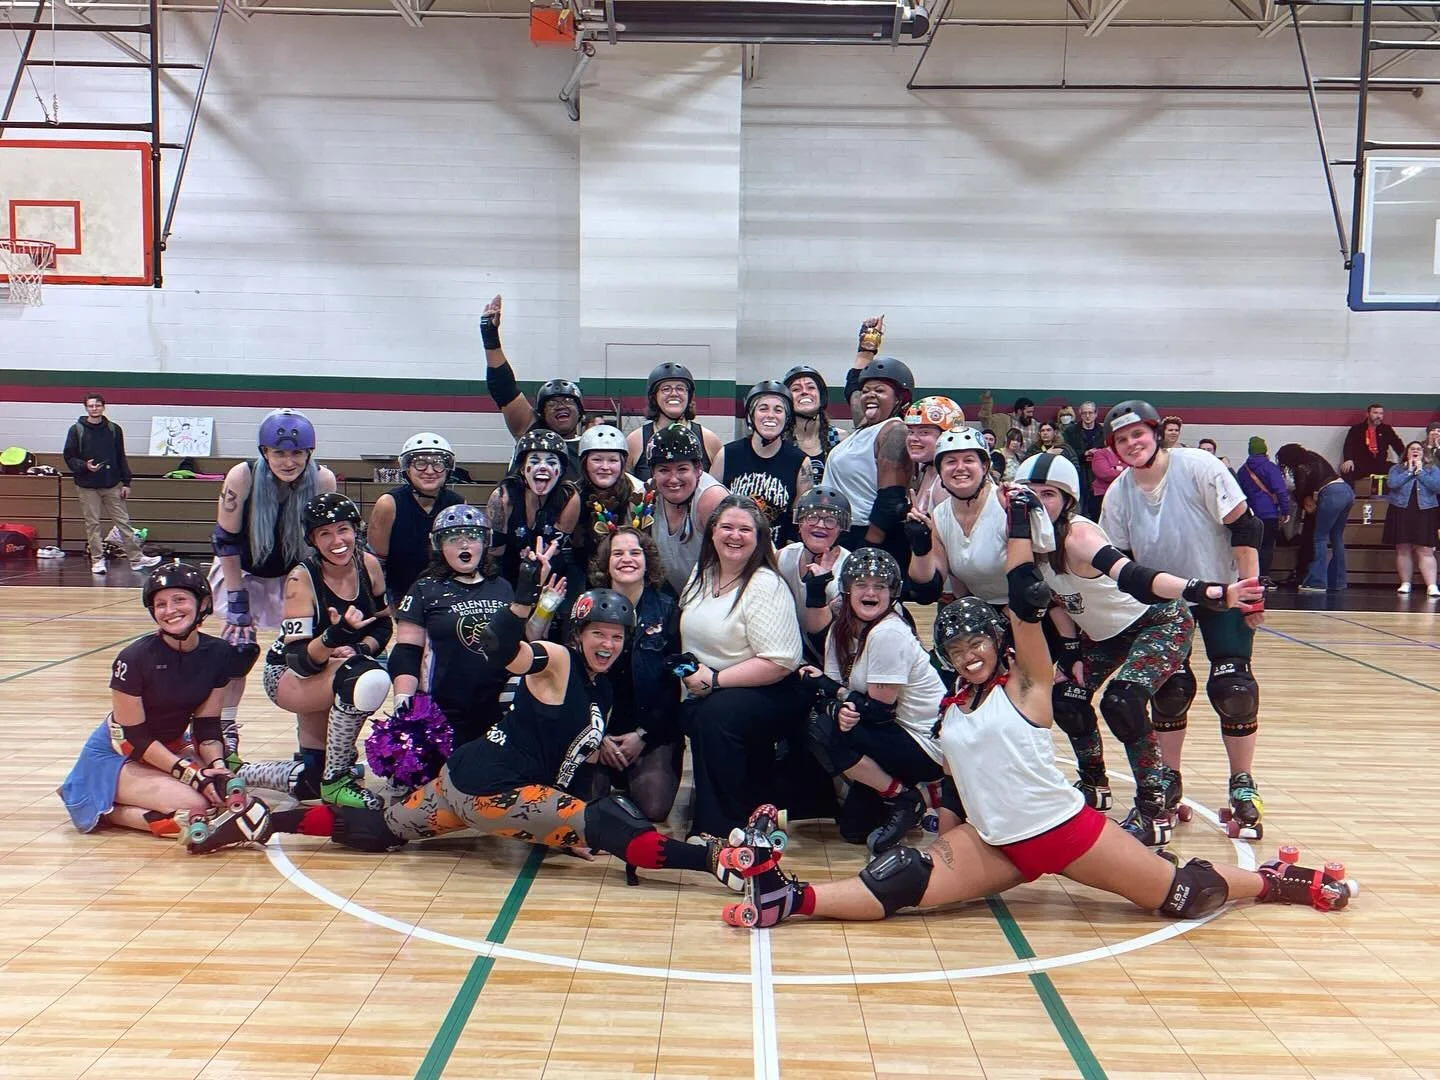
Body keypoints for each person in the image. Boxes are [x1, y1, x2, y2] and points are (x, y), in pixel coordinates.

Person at [719, 542, 1357, 929]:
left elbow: (1027, 617)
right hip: (994, 842)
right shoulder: (951, 707)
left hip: (1062, 833)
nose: (968, 656)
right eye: (956, 648)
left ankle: (1275, 882)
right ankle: (788, 899)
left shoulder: (1026, 688)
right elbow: (955, 778)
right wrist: (946, 822)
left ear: (996, 648)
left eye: (977, 645)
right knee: (900, 882)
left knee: (1181, 894)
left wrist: (1023, 559)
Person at [189, 587, 777, 897]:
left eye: (616, 635)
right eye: (599, 632)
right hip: (494, 791)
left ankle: (267, 822)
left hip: (462, 782)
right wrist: (502, 635)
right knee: (613, 824)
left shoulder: (595, 689)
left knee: (383, 828)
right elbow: (522, 654)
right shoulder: (563, 661)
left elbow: (567, 755)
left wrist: (558, 826)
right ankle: (721, 862)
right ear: (581, 634)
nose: (608, 643)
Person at [1015, 454, 1262, 846]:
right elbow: (1059, 601)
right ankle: (1094, 783)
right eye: (1030, 493)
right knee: (1067, 696)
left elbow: (1135, 577)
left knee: (1122, 701)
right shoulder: (1024, 541)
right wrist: (1070, 653)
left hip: (1158, 620)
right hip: (1105, 634)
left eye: (1049, 494)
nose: (1038, 502)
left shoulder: (1078, 536)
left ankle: (1151, 808)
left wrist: (1209, 591)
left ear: (1068, 501)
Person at [1100, 400, 1267, 839]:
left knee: (1234, 688)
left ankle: (1242, 784)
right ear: (1113, 448)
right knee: (1171, 689)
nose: (1132, 444)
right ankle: (1169, 780)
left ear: (1156, 433)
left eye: (1138, 434)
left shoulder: (1198, 466)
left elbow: (1246, 527)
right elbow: (1120, 563)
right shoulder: (1118, 493)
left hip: (1223, 591)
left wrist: (1249, 591)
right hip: (1167, 603)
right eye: (1121, 439)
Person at [60, 562, 239, 838]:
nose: (170, 611)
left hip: (172, 747)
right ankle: (102, 806)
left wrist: (217, 766)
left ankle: (129, 799)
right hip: (121, 754)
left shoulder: (218, 652)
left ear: (203, 603)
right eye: (161, 604)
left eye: (179, 600)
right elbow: (136, 738)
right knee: (195, 807)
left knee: (226, 796)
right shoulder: (134, 658)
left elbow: (207, 727)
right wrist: (191, 774)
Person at [238, 493, 392, 809]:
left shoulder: (369, 565)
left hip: (332, 669)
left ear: (356, 530)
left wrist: (359, 646)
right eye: (325, 533)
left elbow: (383, 626)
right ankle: (337, 779)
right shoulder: (300, 578)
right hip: (288, 674)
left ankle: (239, 775)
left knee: (309, 781)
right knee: (368, 678)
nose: (337, 540)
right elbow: (300, 660)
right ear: (313, 539)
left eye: (343, 529)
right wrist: (334, 637)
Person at [211, 409, 338, 766]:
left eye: (296, 453)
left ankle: (312, 746)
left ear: (309, 453)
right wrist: (237, 600)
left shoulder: (323, 480)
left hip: (294, 576)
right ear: (265, 452)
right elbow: (226, 540)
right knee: (237, 653)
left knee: (305, 656)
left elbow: (324, 543)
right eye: (279, 453)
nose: (288, 461)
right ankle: (223, 733)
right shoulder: (243, 475)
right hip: (244, 572)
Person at [803, 548, 949, 855]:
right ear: (847, 589)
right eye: (861, 585)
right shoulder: (840, 630)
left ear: (892, 593)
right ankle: (911, 796)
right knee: (854, 830)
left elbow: (878, 711)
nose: (870, 592)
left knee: (826, 727)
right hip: (894, 736)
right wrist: (838, 702)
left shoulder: (889, 633)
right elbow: (835, 691)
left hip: (926, 744)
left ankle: (905, 796)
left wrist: (838, 703)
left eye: (880, 586)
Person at [677, 495, 804, 837]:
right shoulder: (702, 574)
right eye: (727, 527)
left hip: (770, 689)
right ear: (713, 532)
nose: (735, 535)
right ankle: (726, 810)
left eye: (745, 529)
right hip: (711, 686)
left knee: (715, 715)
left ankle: (722, 827)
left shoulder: (765, 584)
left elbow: (779, 661)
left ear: (759, 538)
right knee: (704, 712)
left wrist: (715, 680)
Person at [565, 528, 685, 820]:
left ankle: (631, 781)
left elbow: (673, 687)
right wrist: (598, 736)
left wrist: (643, 735)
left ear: (648, 562)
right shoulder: (586, 607)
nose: (626, 559)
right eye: (617, 553)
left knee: (653, 810)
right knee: (586, 808)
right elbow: (574, 681)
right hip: (598, 731)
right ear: (606, 563)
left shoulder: (669, 610)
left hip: (650, 731)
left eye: (634, 552)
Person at [385, 505, 517, 753]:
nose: (464, 545)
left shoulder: (502, 587)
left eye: (472, 537)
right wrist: (403, 699)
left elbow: (524, 643)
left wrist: (546, 605)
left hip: (495, 705)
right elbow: (406, 651)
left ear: (484, 543)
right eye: (454, 538)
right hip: (443, 709)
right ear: (439, 545)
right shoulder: (425, 588)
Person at [824, 348, 915, 574]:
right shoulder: (864, 427)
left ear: (899, 399)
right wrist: (865, 348)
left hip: (869, 534)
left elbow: (891, 500)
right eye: (866, 391)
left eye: (880, 391)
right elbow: (852, 388)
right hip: (845, 531)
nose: (869, 395)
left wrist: (868, 546)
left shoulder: (894, 430)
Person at [905, 427, 1011, 611]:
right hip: (982, 607)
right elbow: (926, 591)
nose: (960, 467)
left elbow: (1030, 579)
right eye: (951, 461)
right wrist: (920, 546)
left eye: (969, 460)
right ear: (940, 471)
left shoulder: (1005, 504)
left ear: (984, 467)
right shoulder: (940, 515)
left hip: (1027, 608)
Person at [479, 294, 585, 468]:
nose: (560, 406)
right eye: (551, 403)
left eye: (567, 400)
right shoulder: (531, 430)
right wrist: (489, 336)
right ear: (541, 413)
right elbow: (503, 388)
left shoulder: (591, 447)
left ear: (580, 411)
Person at [62, 393, 160, 575]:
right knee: (93, 524)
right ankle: (97, 561)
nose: (94, 409)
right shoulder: (76, 430)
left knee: (123, 522)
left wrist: (126, 482)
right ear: (86, 408)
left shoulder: (114, 430)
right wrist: (84, 466)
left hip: (112, 484)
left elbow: (120, 457)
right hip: (87, 486)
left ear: (103, 407)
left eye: (97, 405)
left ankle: (136, 559)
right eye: (91, 406)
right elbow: (69, 456)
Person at [366, 432, 464, 605]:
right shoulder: (388, 504)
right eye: (420, 463)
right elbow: (375, 562)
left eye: (438, 464)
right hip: (398, 595)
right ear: (407, 469)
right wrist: (383, 606)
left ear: (447, 469)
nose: (430, 471)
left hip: (445, 593)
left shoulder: (456, 503)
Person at [714, 381, 812, 546]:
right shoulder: (727, 455)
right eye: (763, 408)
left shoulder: (801, 462)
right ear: (751, 415)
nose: (770, 415)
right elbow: (712, 512)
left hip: (776, 555)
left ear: (787, 418)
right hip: (733, 547)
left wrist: (785, 559)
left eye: (778, 410)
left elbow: (799, 523)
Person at [486, 429, 581, 590]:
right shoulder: (503, 496)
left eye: (551, 463)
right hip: (505, 572)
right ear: (523, 469)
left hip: (549, 574)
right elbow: (494, 554)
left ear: (561, 471)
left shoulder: (569, 497)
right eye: (535, 461)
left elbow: (552, 553)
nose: (543, 467)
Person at [647, 424, 729, 596]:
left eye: (682, 469)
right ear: (652, 472)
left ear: (698, 469)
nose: (673, 479)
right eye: (664, 470)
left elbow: (743, 560)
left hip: (723, 595)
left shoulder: (712, 500)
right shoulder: (646, 498)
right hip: (681, 596)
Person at [776, 486, 852, 667]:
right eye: (812, 517)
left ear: (841, 528)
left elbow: (842, 642)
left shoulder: (849, 570)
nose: (820, 525)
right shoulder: (784, 556)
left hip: (838, 660)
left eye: (830, 520)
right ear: (800, 524)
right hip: (798, 655)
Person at [571, 424, 652, 593]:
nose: (605, 467)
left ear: (622, 464)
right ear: (584, 463)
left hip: (628, 572)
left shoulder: (638, 493)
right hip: (583, 574)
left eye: (613, 460)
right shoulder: (573, 495)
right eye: (597, 459)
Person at [1275, 443, 1353, 594]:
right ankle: (1338, 581)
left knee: (1319, 538)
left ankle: (1316, 582)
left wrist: (1303, 500)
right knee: (1336, 537)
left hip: (1331, 493)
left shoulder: (1300, 467)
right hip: (1346, 490)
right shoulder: (1313, 456)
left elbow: (1303, 490)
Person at [628, 363, 723, 482]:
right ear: (654, 397)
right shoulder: (636, 441)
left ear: (689, 396)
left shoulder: (709, 440)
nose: (674, 393)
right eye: (666, 389)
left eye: (680, 388)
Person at [1384, 441, 1440, 597]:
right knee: (1403, 548)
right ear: (1407, 453)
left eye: (1419, 449)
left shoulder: (1432, 469)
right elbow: (1392, 483)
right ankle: (1405, 582)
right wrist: (1409, 472)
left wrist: (1420, 472)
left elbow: (1437, 486)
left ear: (1423, 453)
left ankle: (1432, 585)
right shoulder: (1397, 468)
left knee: (1425, 549)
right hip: (1401, 510)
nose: (1415, 451)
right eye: (1412, 449)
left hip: (1424, 511)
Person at [1235, 437, 1290, 581]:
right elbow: (1281, 490)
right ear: (1264, 450)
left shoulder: (1242, 470)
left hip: (1250, 514)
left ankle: (1250, 578)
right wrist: (1285, 510)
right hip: (1269, 513)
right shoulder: (1270, 468)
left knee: (1252, 546)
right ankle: (1264, 577)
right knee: (1267, 546)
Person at [902, 396, 965, 516]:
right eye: (911, 432)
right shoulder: (927, 469)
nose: (913, 439)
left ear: (947, 436)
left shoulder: (950, 480)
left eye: (924, 432)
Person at [783, 364, 842, 487]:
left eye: (810, 387)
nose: (804, 392)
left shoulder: (839, 438)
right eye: (796, 389)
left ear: (822, 396)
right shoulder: (780, 442)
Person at [1341, 403, 1404, 483]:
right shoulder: (1356, 429)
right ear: (1368, 414)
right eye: (1375, 413)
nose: (1378, 416)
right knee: (1347, 469)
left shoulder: (1386, 429)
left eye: (1381, 413)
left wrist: (1405, 460)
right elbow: (1348, 446)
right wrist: (1348, 459)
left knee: (1401, 469)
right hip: (1362, 463)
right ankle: (1351, 494)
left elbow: (1398, 445)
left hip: (1380, 463)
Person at [1063, 400, 1106, 518]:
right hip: (1078, 472)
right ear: (1080, 414)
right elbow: (1067, 451)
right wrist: (1085, 453)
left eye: (1090, 413)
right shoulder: (1070, 432)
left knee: (1097, 509)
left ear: (1096, 414)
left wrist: (1097, 454)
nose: (1088, 416)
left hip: (1098, 474)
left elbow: (1108, 451)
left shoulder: (1103, 432)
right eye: (1085, 413)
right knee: (1079, 508)